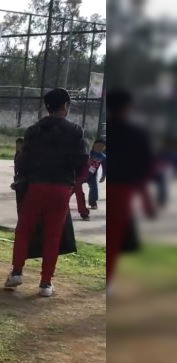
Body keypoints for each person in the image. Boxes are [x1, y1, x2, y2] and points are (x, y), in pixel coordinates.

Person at [4, 88, 88, 297]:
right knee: (53, 235)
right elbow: (83, 163)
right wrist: (73, 185)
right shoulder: (76, 131)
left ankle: (16, 272)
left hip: (35, 186)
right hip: (61, 188)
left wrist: (22, 181)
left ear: (47, 107)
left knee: (24, 230)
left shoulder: (33, 131)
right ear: (65, 106)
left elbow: (22, 160)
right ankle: (45, 283)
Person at [105, 88, 156, 286]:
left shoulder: (107, 129)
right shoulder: (137, 133)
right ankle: (109, 280)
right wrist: (146, 200)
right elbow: (146, 168)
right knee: (115, 236)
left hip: (110, 186)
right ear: (128, 107)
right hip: (124, 189)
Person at [87, 138, 106, 209]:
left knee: (94, 188)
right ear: (94, 145)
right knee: (74, 187)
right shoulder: (88, 153)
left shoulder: (103, 157)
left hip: (92, 175)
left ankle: (93, 202)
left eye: (102, 146)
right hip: (82, 174)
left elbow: (104, 167)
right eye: (98, 145)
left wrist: (103, 176)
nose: (100, 148)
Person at [11, 137, 25, 216]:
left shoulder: (25, 156)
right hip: (17, 178)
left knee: (22, 202)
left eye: (19, 145)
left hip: (22, 180)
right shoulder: (17, 154)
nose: (17, 146)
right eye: (16, 145)